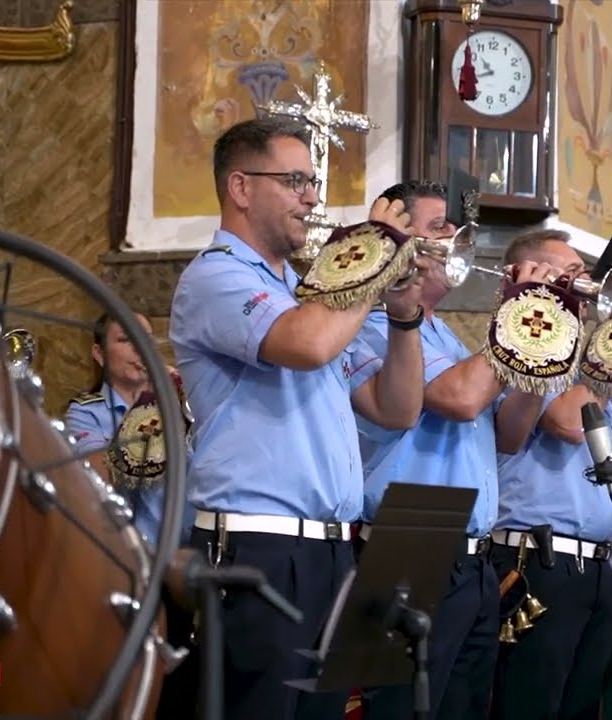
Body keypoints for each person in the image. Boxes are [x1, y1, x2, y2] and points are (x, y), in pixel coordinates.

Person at [168, 117, 429, 720]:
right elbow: (307, 345)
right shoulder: (216, 276)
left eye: (311, 183)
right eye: (295, 181)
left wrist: (404, 313)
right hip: (258, 548)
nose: (312, 197)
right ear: (240, 188)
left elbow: (397, 408)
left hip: (329, 555)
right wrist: (378, 254)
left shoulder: (308, 295)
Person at [355, 182, 558, 720]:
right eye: (437, 226)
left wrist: (546, 335)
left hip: (472, 555)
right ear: (399, 244)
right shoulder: (375, 327)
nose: (454, 237)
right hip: (411, 541)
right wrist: (515, 318)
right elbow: (461, 400)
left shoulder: (447, 335)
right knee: (400, 710)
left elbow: (510, 434)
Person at [487, 228, 612, 720]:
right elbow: (566, 423)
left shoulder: (583, 362)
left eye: (581, 277)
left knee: (582, 708)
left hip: (596, 567)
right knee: (530, 704)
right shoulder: (522, 345)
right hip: (536, 559)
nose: (583, 289)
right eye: (570, 277)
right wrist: (610, 353)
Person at [64, 310, 200, 719]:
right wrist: (148, 414)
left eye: (146, 337)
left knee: (183, 697)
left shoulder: (182, 404)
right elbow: (93, 478)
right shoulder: (85, 411)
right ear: (99, 355)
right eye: (126, 339)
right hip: (127, 575)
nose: (141, 347)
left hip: (183, 572)